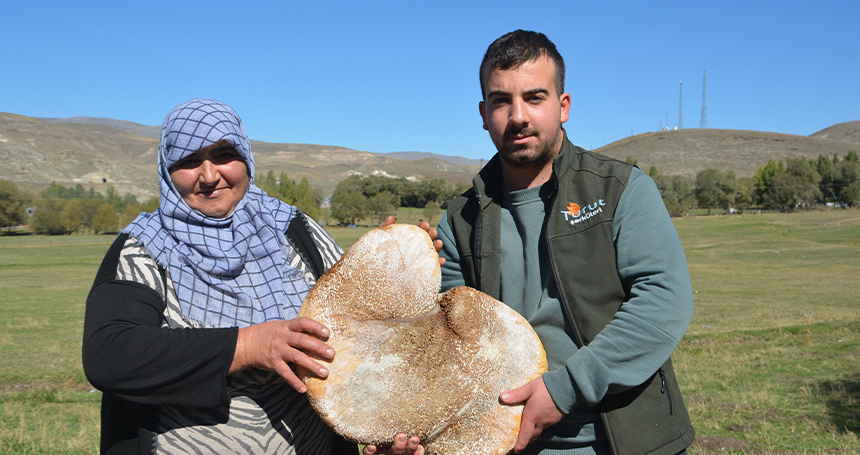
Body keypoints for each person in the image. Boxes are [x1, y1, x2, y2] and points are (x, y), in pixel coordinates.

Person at [82, 98, 424, 455]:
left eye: (223, 155)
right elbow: (109, 354)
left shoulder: (295, 229)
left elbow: (358, 327)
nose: (209, 176)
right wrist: (248, 346)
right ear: (167, 171)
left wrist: (387, 268)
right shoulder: (144, 247)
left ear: (245, 157)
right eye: (187, 161)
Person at [435, 30, 696, 455]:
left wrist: (564, 389)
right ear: (484, 114)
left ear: (563, 106)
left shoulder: (620, 189)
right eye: (502, 101)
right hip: (507, 440)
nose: (518, 115)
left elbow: (664, 301)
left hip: (626, 438)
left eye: (534, 97)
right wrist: (405, 269)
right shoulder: (459, 219)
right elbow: (448, 337)